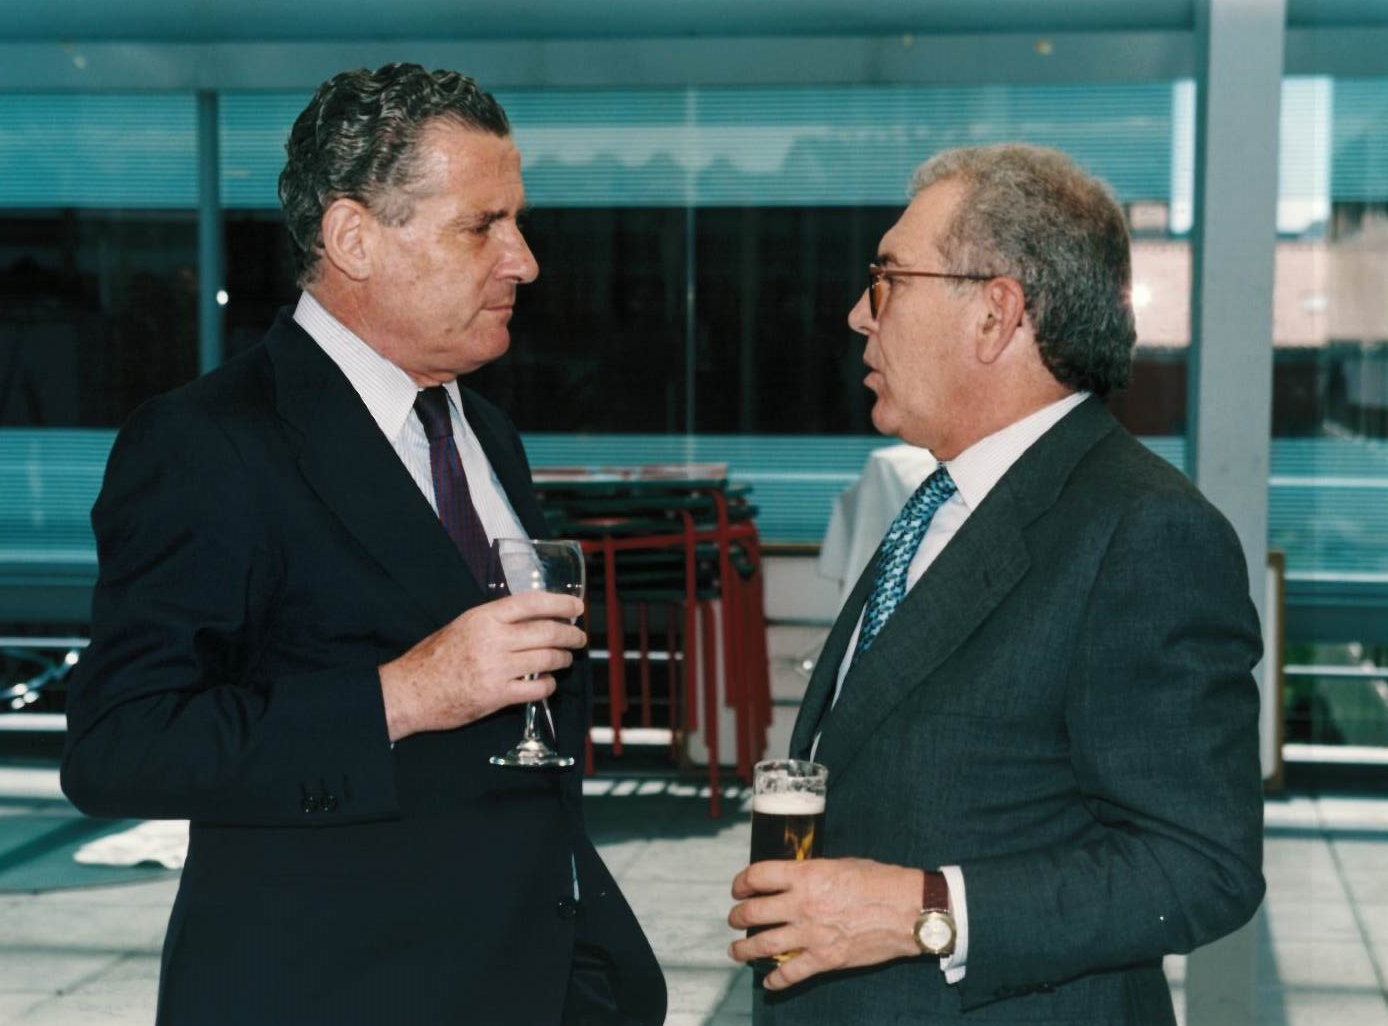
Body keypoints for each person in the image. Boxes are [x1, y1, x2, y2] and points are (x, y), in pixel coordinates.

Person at [61, 63, 665, 1026]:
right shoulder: (208, 441)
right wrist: (404, 694)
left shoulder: (486, 431)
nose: (523, 260)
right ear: (353, 238)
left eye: (518, 222)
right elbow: (120, 747)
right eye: (482, 226)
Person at [727, 143, 1265, 1025]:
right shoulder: (939, 498)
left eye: (889, 280)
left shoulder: (1145, 530)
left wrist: (925, 912)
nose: (860, 314)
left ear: (995, 314)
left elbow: (1201, 866)